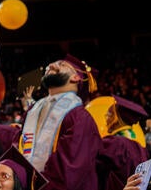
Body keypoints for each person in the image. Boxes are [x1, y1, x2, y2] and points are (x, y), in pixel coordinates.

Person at [18, 54, 102, 190]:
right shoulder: (34, 110)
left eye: (62, 65)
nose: (51, 65)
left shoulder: (80, 118)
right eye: (52, 63)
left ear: (75, 78)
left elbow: (67, 173)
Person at [97, 96, 150, 190]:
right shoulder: (141, 147)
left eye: (109, 114)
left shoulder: (113, 143)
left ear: (116, 118)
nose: (106, 118)